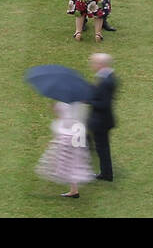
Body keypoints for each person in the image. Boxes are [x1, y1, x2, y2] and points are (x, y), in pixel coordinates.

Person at [36, 101, 94, 198]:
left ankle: (74, 189)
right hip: (76, 134)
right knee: (73, 161)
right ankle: (74, 190)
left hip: (68, 136)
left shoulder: (64, 103)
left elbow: (62, 118)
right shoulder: (79, 103)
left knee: (67, 162)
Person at [87, 52, 117, 181]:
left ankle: (106, 174)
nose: (92, 65)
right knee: (102, 147)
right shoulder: (107, 77)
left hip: (100, 121)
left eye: (94, 63)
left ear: (100, 64)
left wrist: (88, 100)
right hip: (102, 120)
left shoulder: (106, 81)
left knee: (102, 148)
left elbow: (103, 103)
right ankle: (106, 172)